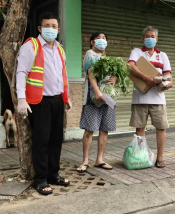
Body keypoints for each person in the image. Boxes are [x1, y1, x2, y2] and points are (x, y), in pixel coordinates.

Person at [16, 12, 72, 195]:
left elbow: (62, 76)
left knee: (56, 140)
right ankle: (40, 179)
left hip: (57, 101)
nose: (50, 29)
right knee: (41, 141)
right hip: (39, 102)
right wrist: (21, 98)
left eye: (54, 26)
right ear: (40, 28)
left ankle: (53, 174)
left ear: (58, 29)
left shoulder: (60, 49)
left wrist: (67, 96)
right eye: (46, 25)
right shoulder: (31, 46)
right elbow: (21, 73)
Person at [127, 26, 173, 168]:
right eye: (147, 36)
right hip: (140, 98)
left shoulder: (163, 56)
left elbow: (169, 77)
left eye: (153, 36)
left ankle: (159, 157)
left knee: (161, 128)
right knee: (140, 129)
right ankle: (141, 156)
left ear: (157, 39)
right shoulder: (136, 52)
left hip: (158, 99)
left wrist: (167, 84)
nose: (150, 39)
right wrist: (147, 78)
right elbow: (130, 66)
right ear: (142, 38)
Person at [77, 32, 117, 173]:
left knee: (104, 129)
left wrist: (115, 80)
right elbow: (91, 74)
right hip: (93, 98)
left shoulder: (106, 58)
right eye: (98, 38)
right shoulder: (90, 55)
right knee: (89, 129)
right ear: (92, 42)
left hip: (107, 98)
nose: (102, 40)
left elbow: (113, 77)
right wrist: (98, 93)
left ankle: (100, 159)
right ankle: (85, 161)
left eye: (104, 38)